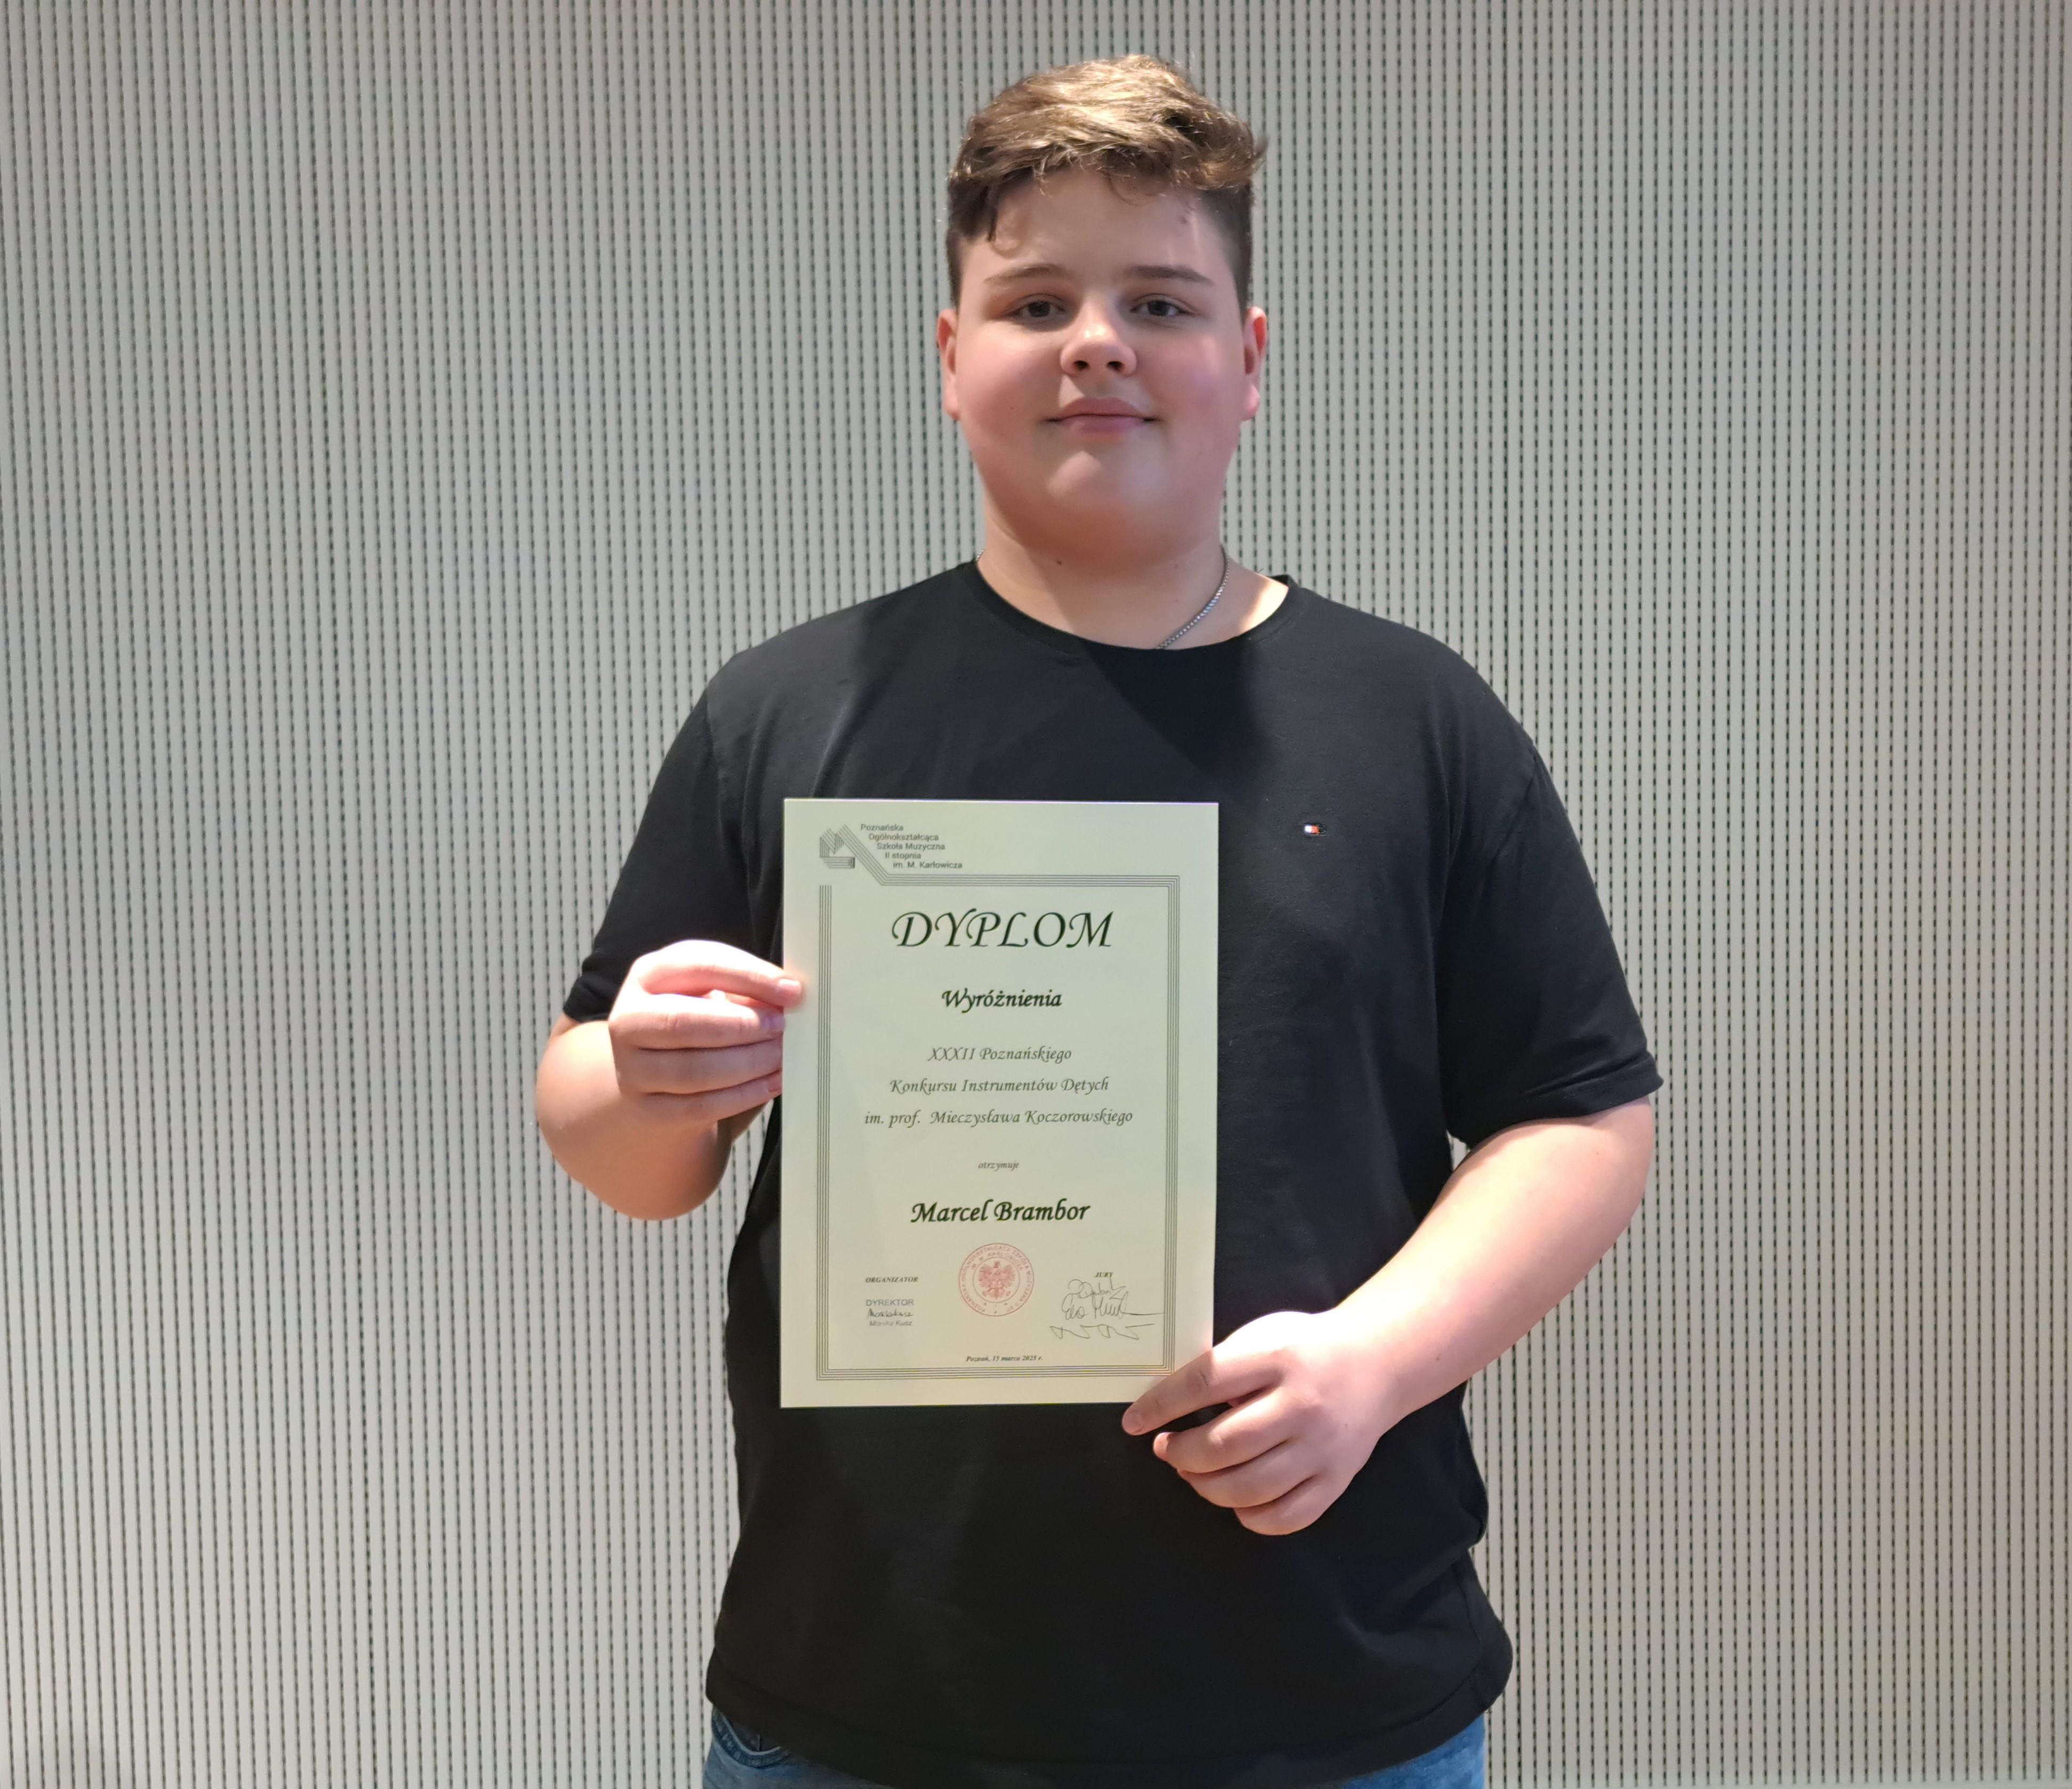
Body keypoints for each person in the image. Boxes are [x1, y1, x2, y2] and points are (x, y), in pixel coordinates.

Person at [534, 53, 1660, 1789]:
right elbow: (617, 1144)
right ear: (950, 357)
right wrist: (647, 1074)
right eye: (1035, 300)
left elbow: (1581, 1112)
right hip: (864, 1691)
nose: (1097, 343)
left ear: (1251, 359)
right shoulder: (791, 710)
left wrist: (1371, 1365)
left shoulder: (1411, 717)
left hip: (1327, 1685)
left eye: (1161, 300)